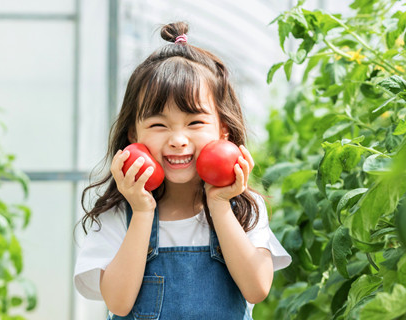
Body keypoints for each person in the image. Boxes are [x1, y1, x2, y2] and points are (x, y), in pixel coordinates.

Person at [74, 22, 291, 319]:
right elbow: (118, 303)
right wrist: (141, 212)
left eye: (195, 123)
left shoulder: (243, 209)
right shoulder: (119, 214)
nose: (178, 140)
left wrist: (219, 206)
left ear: (223, 131)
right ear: (133, 137)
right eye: (158, 125)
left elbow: (257, 288)